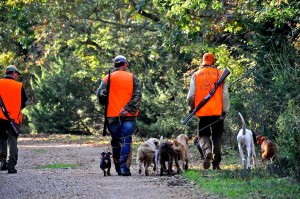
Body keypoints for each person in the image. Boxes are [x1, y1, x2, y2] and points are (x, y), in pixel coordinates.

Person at [96, 55, 142, 176]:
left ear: (115, 65)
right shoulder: (133, 78)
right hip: (129, 115)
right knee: (126, 140)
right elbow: (137, 96)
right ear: (125, 64)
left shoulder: (107, 78)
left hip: (112, 115)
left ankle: (116, 167)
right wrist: (127, 109)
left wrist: (107, 101)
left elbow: (100, 95)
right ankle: (124, 168)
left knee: (116, 141)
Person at [186, 53, 230, 170]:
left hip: (202, 112)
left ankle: (207, 152)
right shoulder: (220, 74)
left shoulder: (196, 75)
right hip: (217, 112)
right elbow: (225, 95)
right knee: (217, 136)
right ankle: (216, 164)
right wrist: (224, 110)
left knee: (203, 135)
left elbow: (191, 96)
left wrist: (192, 107)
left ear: (203, 62)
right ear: (213, 62)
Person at [0, 65, 28, 174]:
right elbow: (24, 103)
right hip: (13, 119)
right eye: (17, 74)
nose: (17, 76)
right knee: (12, 141)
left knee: (1, 139)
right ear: (13, 73)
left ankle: (2, 163)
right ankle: (11, 166)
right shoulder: (18, 86)